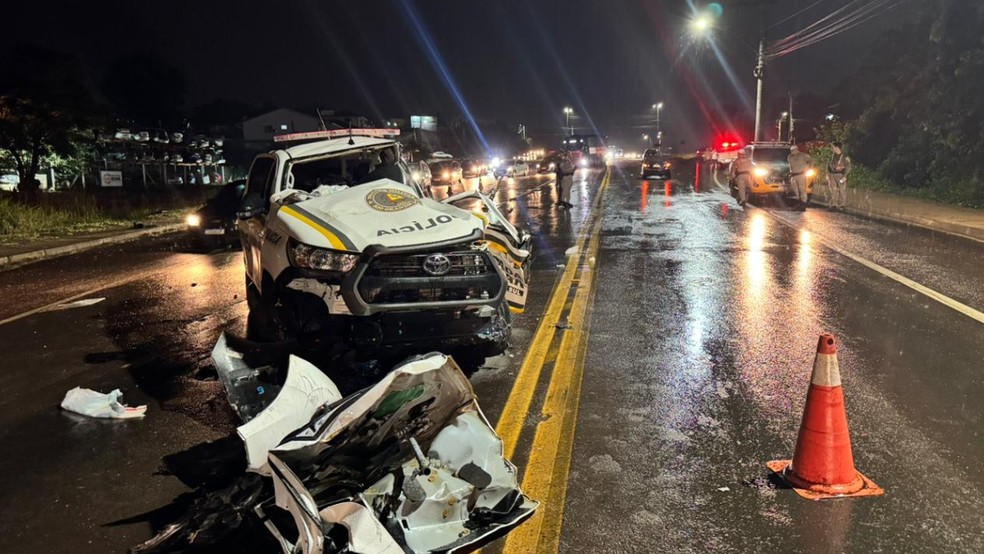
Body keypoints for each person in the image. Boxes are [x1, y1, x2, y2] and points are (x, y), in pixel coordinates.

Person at [787, 144, 813, 211]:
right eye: (791, 150)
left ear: (797, 149)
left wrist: (808, 169)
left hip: (801, 175)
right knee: (795, 190)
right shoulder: (789, 157)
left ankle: (803, 204)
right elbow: (789, 166)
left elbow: (811, 161)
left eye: (793, 150)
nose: (792, 151)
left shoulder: (803, 155)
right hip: (793, 175)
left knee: (802, 190)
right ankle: (799, 202)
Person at [826, 142, 852, 210]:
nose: (832, 149)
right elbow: (828, 165)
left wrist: (845, 176)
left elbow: (848, 167)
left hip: (840, 175)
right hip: (832, 174)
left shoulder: (845, 157)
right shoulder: (832, 156)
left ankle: (842, 205)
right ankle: (834, 204)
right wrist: (828, 174)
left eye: (833, 147)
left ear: (837, 148)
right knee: (833, 190)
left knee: (842, 190)